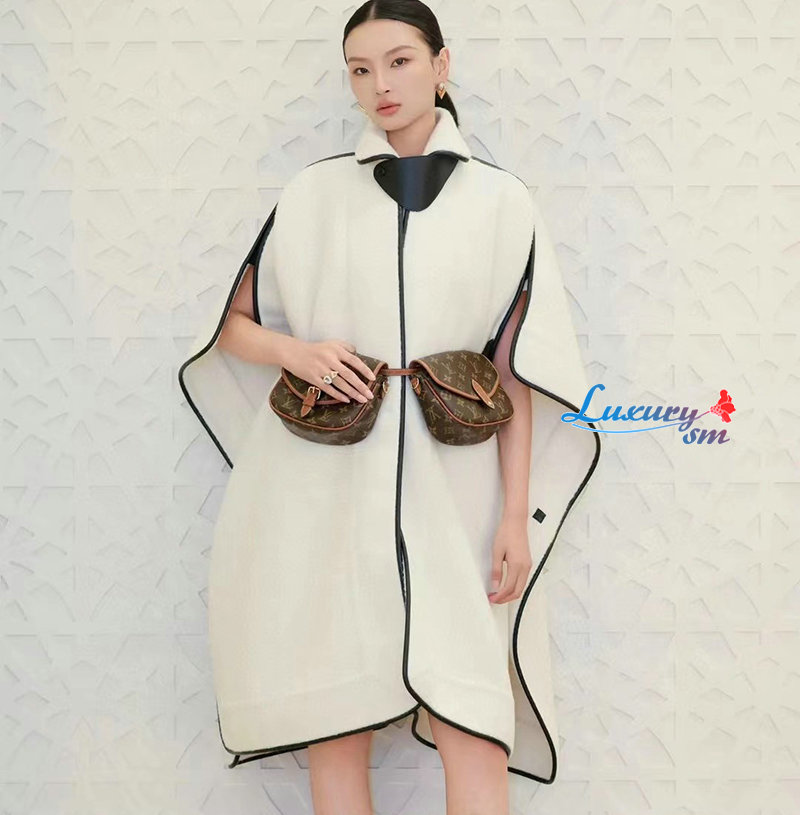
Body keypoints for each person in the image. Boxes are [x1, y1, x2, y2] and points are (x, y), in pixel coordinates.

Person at [177, 1, 602, 813]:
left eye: (400, 61)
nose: (381, 84)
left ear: (442, 66)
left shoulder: (502, 202)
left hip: (461, 487)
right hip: (326, 483)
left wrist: (514, 517)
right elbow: (230, 327)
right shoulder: (313, 194)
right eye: (361, 69)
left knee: (474, 723)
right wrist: (298, 351)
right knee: (336, 722)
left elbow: (514, 376)